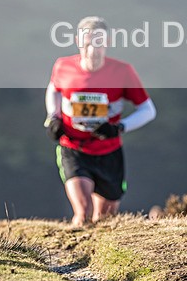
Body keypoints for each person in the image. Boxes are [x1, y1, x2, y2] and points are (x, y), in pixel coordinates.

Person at [45, 16, 157, 227]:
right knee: (84, 211)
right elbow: (53, 89)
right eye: (87, 44)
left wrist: (118, 128)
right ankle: (74, 255)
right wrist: (53, 117)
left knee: (105, 219)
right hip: (74, 148)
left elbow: (148, 110)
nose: (92, 51)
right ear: (78, 42)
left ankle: (98, 257)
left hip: (109, 152)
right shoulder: (63, 66)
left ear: (108, 42)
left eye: (98, 44)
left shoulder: (123, 72)